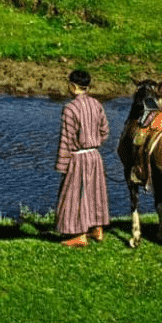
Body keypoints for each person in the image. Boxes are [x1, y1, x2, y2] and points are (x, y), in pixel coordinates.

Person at [54, 67, 110, 248]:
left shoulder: (70, 109)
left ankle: (79, 235)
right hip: (95, 155)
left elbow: (66, 139)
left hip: (79, 158)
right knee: (95, 193)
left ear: (72, 86)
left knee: (75, 195)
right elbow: (105, 131)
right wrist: (94, 144)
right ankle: (97, 228)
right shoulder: (97, 104)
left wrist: (62, 166)